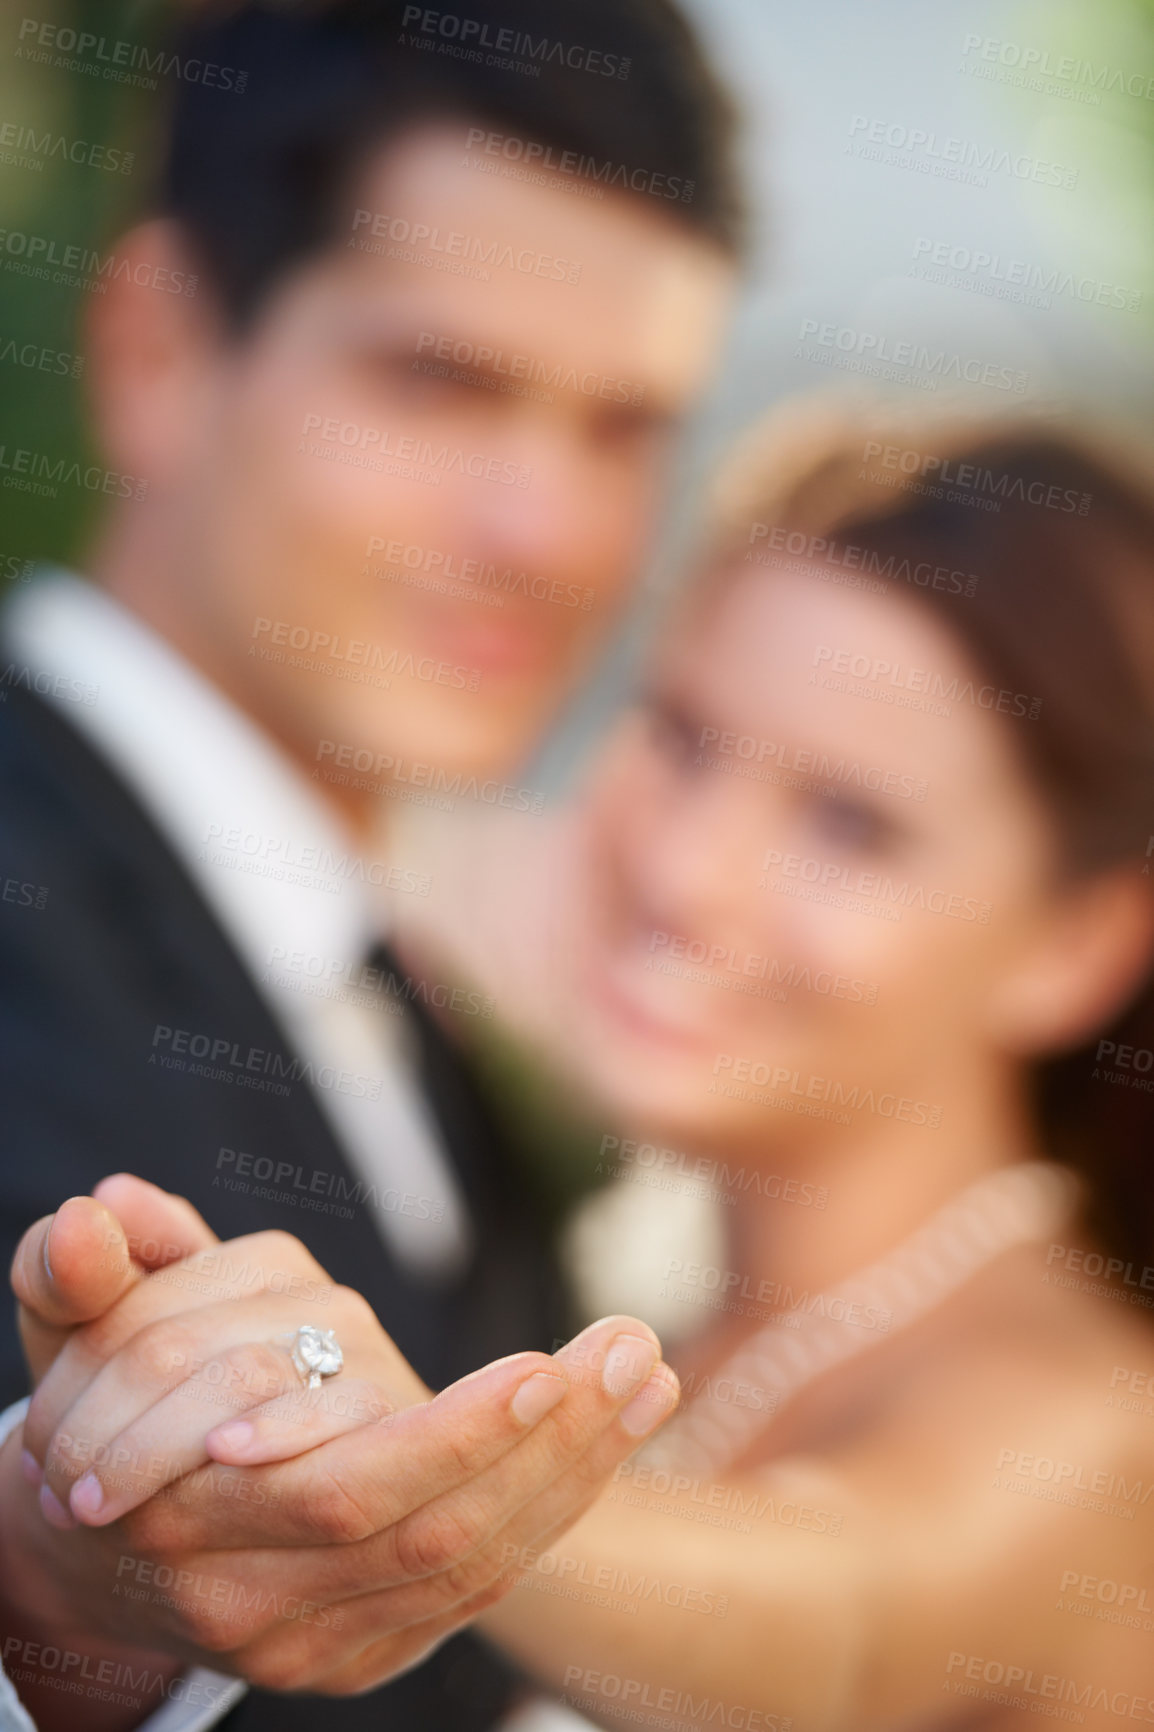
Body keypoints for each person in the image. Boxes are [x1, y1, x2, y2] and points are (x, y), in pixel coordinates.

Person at [40, 403, 1154, 1731]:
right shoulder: (599, 1303)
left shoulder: (1090, 1421)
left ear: (1073, 942)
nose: (688, 870)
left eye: (849, 824)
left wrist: (418, 1476)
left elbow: (844, 1629)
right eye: (682, 736)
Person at [0, 0, 740, 1726]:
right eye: (440, 382)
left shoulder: (405, 1010)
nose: (540, 533)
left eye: (623, 429)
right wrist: (47, 1600)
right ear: (160, 351)